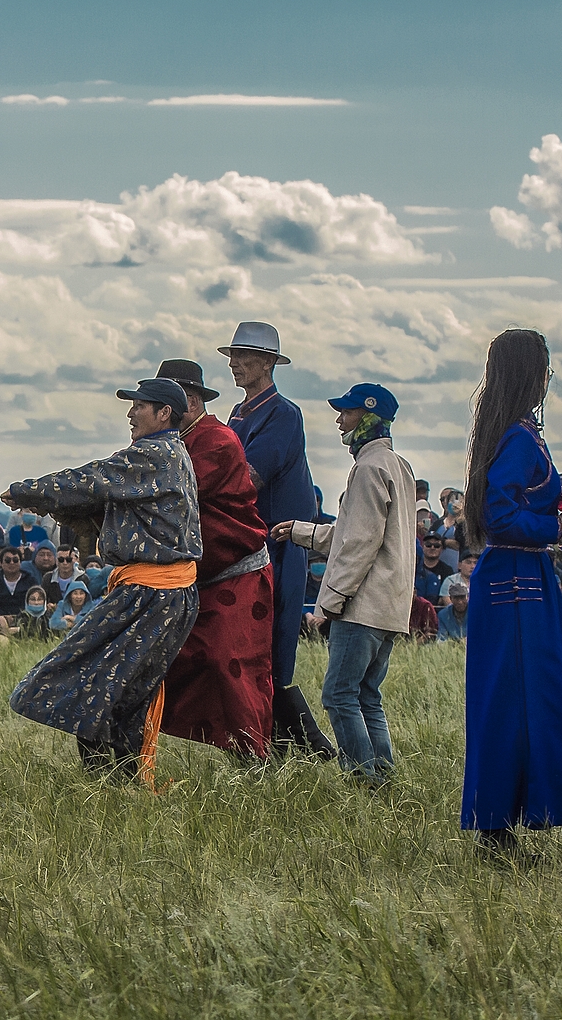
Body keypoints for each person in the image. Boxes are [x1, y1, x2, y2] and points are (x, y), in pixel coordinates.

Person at [6, 376, 202, 787]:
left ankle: (111, 784)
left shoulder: (154, 455)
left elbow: (89, 480)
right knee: (121, 694)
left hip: (152, 594)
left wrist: (27, 493)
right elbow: (107, 507)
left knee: (90, 684)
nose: (131, 414)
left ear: (164, 413)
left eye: (139, 406)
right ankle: (118, 785)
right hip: (159, 593)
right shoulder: (170, 454)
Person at [461, 328, 562, 856]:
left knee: (516, 698)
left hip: (520, 579)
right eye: (545, 369)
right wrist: (558, 525)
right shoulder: (521, 439)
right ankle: (498, 828)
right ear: (532, 374)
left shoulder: (510, 433)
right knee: (519, 698)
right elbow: (501, 515)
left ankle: (503, 819)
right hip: (516, 581)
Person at [278, 383, 417, 783]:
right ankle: (384, 777)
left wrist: (329, 603)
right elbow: (359, 533)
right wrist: (302, 532)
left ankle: (363, 778)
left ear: (368, 416)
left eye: (348, 412)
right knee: (367, 697)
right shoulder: (398, 466)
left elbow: (357, 542)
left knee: (338, 696)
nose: (341, 420)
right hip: (390, 607)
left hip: (362, 606)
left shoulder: (368, 468)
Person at [156, 358, 287, 760]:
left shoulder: (215, 441)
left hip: (238, 574)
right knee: (184, 660)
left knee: (233, 666)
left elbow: (166, 492)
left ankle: (257, 758)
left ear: (190, 403)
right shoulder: (177, 443)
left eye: (162, 405)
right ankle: (250, 748)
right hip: (204, 577)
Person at [220, 320, 322, 754]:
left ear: (267, 363)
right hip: (250, 544)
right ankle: (280, 742)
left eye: (245, 357)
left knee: (273, 645)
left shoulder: (283, 413)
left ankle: (291, 743)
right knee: (251, 643)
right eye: (233, 357)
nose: (236, 365)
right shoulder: (239, 413)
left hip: (277, 544)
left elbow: (247, 478)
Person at [438, 577, 471, 641]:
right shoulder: (443, 615)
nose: (460, 602)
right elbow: (441, 639)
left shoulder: (475, 612)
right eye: (456, 598)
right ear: (451, 599)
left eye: (462, 597)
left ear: (467, 597)